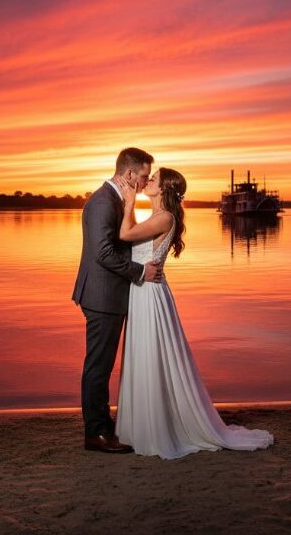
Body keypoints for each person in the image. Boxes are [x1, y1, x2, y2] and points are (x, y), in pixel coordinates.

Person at [114, 167, 274, 459]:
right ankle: (145, 423)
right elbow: (135, 241)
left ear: (164, 190)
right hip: (143, 290)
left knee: (152, 355)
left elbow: (125, 234)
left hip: (149, 295)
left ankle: (158, 427)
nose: (147, 182)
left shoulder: (165, 218)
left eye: (153, 179)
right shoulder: (156, 217)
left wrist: (127, 201)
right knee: (146, 355)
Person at [72, 147, 164, 453]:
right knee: (98, 366)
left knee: (103, 364)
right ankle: (95, 434)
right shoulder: (102, 202)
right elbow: (103, 253)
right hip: (101, 296)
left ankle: (104, 424)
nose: (144, 181)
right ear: (128, 174)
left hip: (110, 293)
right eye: (143, 176)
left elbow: (124, 240)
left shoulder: (118, 200)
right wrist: (141, 271)